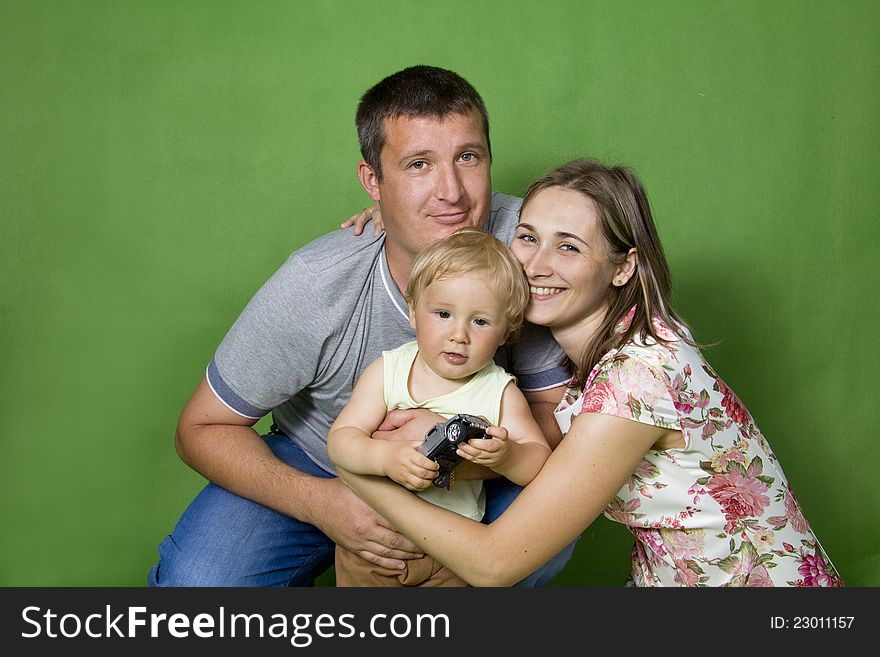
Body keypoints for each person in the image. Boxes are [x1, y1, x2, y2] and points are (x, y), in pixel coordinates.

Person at [148, 65, 576, 587]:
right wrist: (324, 504)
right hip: (321, 459)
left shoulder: (528, 247)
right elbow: (199, 429)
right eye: (418, 164)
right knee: (200, 583)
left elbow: (558, 415)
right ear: (373, 181)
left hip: (477, 468)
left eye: (468, 157)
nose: (452, 193)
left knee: (552, 522)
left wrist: (452, 455)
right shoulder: (315, 286)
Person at [336, 158, 845, 587]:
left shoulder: (637, 378)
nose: (536, 265)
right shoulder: (641, 333)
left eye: (569, 247)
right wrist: (397, 218)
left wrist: (364, 473)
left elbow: (494, 565)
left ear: (623, 267)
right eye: (527, 238)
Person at [329, 229, 551, 586]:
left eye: (480, 321)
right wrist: (384, 458)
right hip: (374, 545)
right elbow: (341, 441)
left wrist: (506, 456)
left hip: (454, 553)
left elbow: (538, 461)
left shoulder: (500, 391)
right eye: (443, 313)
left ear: (506, 332)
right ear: (413, 311)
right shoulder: (389, 370)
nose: (458, 335)